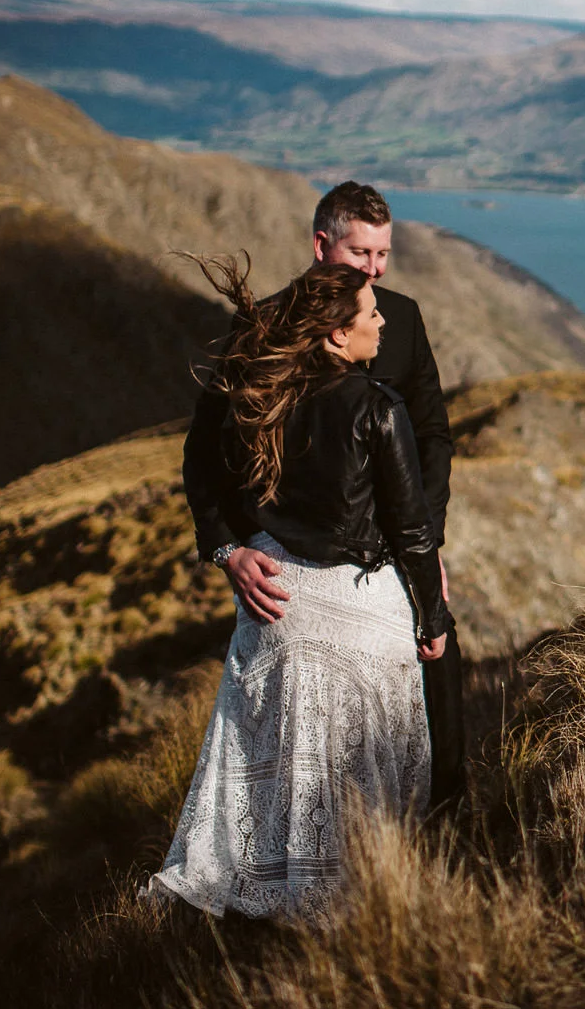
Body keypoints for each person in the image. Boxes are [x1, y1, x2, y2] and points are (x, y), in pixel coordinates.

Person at [152, 260, 453, 918]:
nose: (381, 321)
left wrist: (229, 550)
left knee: (277, 771)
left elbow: (211, 473)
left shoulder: (263, 396)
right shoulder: (379, 406)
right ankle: (352, 899)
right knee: (364, 766)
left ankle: (254, 889)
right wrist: (433, 619)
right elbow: (413, 532)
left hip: (272, 605)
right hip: (357, 607)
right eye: (369, 312)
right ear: (337, 337)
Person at [183, 182, 466, 814]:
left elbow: (433, 438)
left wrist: (430, 541)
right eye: (361, 252)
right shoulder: (258, 329)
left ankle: (442, 832)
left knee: (439, 690)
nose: (375, 269)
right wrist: (227, 548)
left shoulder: (401, 317)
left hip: (397, 557)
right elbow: (204, 453)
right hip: (297, 575)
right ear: (321, 244)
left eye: (384, 253)